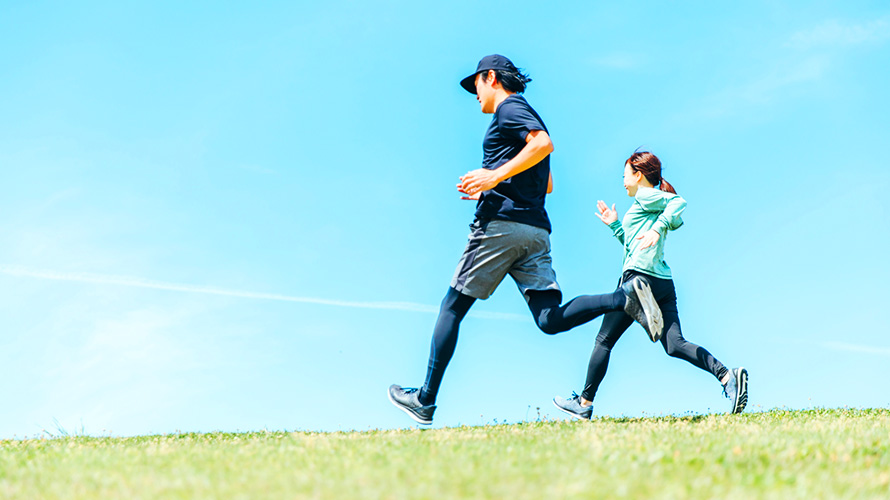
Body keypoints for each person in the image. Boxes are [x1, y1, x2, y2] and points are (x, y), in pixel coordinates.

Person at [388, 55, 663, 425]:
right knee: (549, 319)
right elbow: (546, 182)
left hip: (499, 227)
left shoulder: (510, 109)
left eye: (477, 86)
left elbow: (543, 144)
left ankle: (425, 399)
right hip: (535, 231)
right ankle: (623, 297)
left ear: (491, 78)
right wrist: (496, 182)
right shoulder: (526, 116)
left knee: (452, 306)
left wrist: (491, 178)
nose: (475, 95)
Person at [553, 151, 749, 419]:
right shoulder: (645, 204)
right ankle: (727, 377)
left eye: (624, 175)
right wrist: (615, 227)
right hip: (662, 282)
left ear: (638, 174)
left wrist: (658, 229)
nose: (623, 182)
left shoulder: (647, 196)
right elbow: (635, 245)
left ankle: (584, 404)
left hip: (638, 280)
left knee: (604, 339)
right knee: (674, 344)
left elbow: (679, 202)